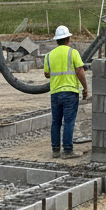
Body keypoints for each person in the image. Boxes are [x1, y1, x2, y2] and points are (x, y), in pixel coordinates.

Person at [44, 25, 89, 158]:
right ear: (68, 39)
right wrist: (85, 88)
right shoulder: (72, 52)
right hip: (70, 92)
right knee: (68, 122)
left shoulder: (49, 55)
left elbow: (47, 74)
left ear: (57, 40)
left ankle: (55, 150)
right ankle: (68, 150)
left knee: (56, 122)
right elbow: (80, 71)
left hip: (55, 93)